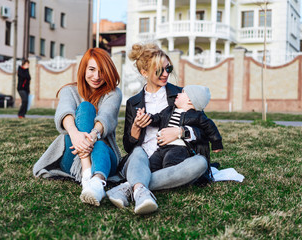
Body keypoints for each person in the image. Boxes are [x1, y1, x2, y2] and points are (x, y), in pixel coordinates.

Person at [106, 43, 209, 215]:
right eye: (159, 70)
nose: (166, 74)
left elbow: (203, 130)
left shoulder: (181, 95)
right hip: (142, 160)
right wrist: (136, 129)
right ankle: (140, 189)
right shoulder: (133, 103)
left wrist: (180, 132)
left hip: (174, 159)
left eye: (168, 68)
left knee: (201, 163)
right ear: (144, 73)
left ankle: (131, 187)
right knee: (138, 152)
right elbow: (128, 146)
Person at [33, 48, 122, 207]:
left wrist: (92, 136)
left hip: (105, 158)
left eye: (102, 71)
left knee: (100, 143)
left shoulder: (113, 93)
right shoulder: (69, 90)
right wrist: (75, 135)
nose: (96, 76)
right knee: (86, 108)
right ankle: (88, 174)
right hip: (72, 157)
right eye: (92, 69)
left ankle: (96, 184)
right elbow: (64, 112)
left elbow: (106, 117)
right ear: (83, 69)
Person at [146, 85, 223, 172]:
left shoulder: (197, 115)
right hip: (162, 148)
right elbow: (158, 118)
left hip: (179, 148)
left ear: (190, 100)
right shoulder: (169, 110)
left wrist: (216, 143)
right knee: (152, 163)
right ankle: (153, 179)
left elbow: (210, 127)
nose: (178, 93)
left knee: (171, 163)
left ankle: (168, 182)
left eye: (182, 92)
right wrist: (147, 117)